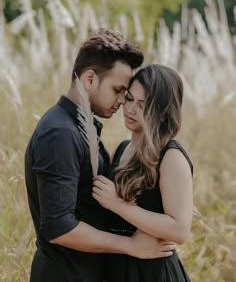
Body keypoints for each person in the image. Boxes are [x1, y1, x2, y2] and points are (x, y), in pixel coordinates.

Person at [25, 30, 175, 282]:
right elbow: (59, 228)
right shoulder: (59, 133)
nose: (122, 102)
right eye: (118, 90)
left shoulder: (80, 127)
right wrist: (131, 245)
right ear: (90, 79)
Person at [93, 64, 193, 282]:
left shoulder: (171, 156)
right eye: (129, 99)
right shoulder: (122, 149)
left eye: (142, 105)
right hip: (119, 267)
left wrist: (117, 204)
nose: (130, 109)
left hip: (153, 272)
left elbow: (180, 230)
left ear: (161, 110)